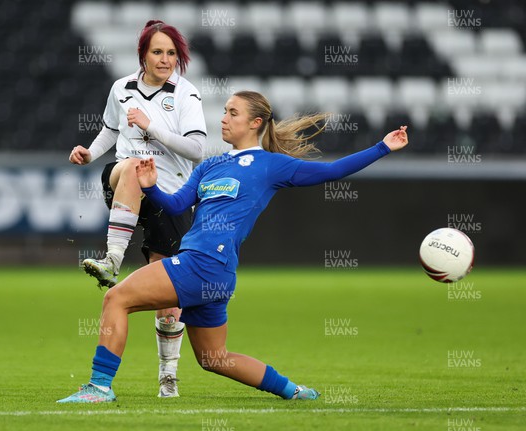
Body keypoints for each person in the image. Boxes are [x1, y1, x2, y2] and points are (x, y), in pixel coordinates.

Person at [58, 91, 408, 403]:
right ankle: (293, 391)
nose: (223, 118)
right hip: (214, 273)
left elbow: (331, 172)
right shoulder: (210, 165)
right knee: (213, 358)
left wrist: (383, 147)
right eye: (224, 111)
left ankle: (99, 388)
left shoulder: (271, 165)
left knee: (115, 298)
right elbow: (178, 205)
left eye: (232, 113)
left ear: (256, 123)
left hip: (203, 264)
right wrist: (150, 188)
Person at [68, 20, 207, 398]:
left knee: (167, 300)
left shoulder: (186, 94)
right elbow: (111, 131)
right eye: (158, 52)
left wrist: (152, 128)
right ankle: (112, 260)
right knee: (129, 165)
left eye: (172, 53)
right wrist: (90, 153)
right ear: (142, 54)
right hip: (128, 183)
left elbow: (196, 149)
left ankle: (168, 376)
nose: (165, 60)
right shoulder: (121, 88)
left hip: (170, 195)